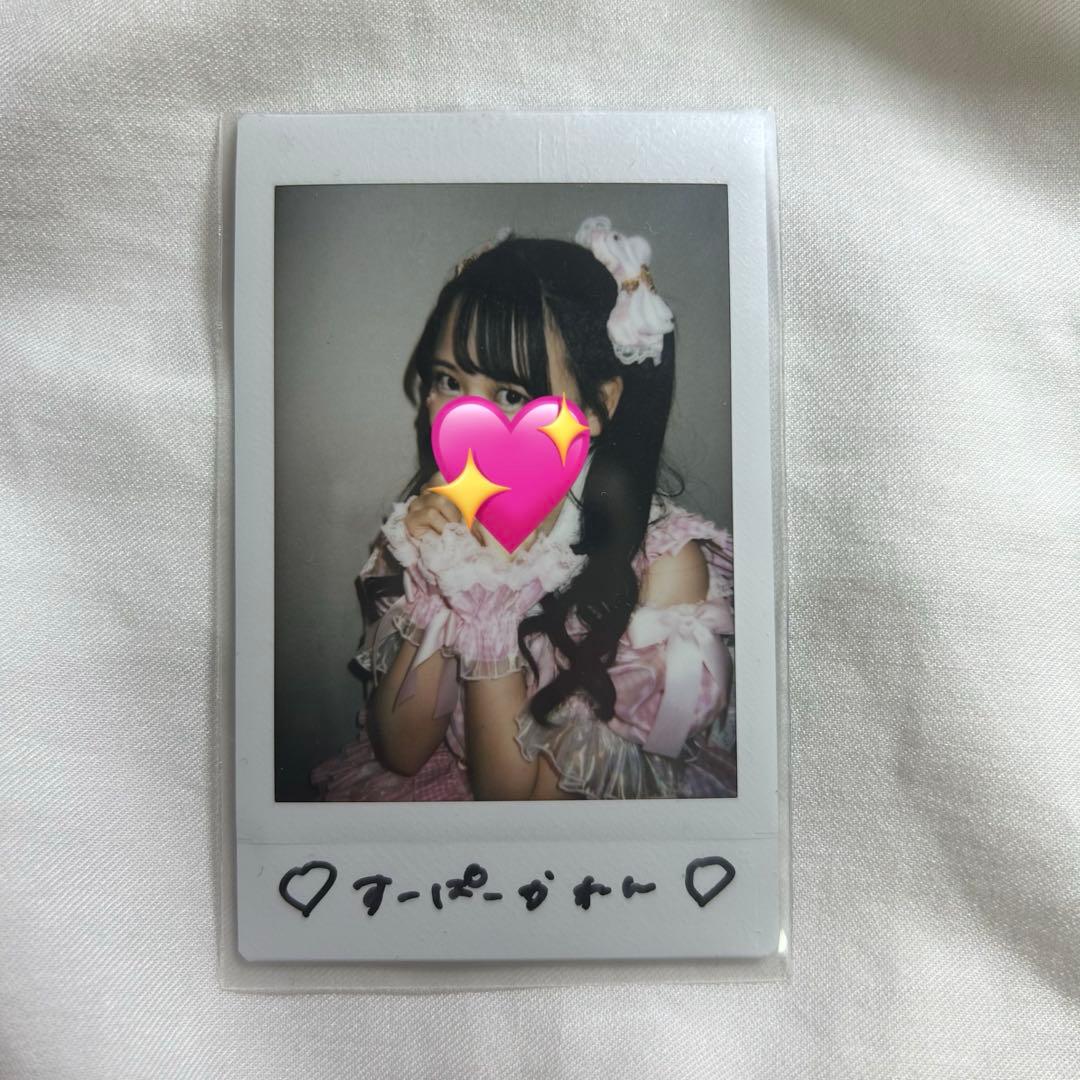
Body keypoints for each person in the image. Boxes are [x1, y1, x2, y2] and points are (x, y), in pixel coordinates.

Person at [311, 215, 736, 801]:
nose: (463, 418)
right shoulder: (443, 518)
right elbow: (402, 750)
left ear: (597, 406)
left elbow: (518, 806)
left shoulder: (664, 565)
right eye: (448, 381)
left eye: (510, 394)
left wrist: (491, 592)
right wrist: (445, 568)